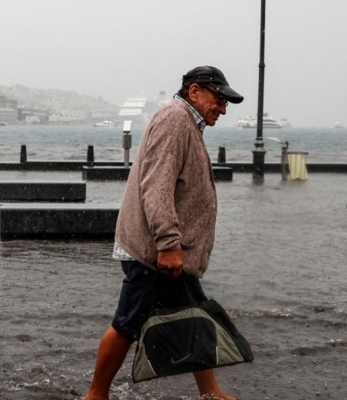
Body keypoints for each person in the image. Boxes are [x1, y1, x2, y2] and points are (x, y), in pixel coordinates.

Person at [84, 66, 244, 400]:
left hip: (170, 252)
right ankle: (95, 396)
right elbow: (156, 185)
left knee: (195, 316)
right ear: (195, 91)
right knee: (127, 324)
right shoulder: (174, 119)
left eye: (227, 103)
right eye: (219, 98)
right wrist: (168, 243)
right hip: (155, 252)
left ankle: (211, 393)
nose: (224, 108)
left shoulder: (186, 122)